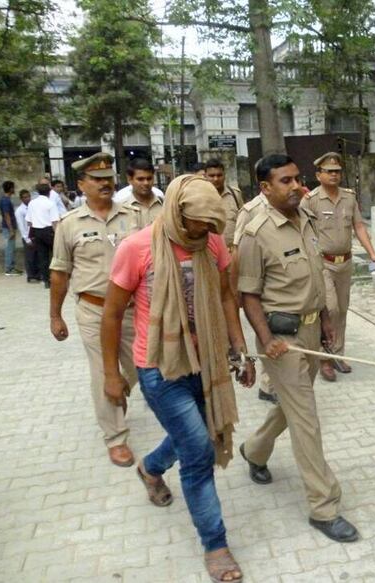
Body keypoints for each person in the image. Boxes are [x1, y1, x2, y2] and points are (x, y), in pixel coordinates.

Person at [102, 174, 253, 583]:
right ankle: (215, 544)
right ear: (176, 212)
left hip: (207, 363)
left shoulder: (213, 242)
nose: (205, 232)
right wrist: (111, 375)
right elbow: (112, 314)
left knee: (192, 436)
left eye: (211, 226)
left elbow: (225, 296)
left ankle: (150, 468)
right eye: (199, 225)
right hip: (159, 367)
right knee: (198, 452)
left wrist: (240, 349)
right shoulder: (137, 248)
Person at [236, 154, 358, 543]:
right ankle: (324, 506)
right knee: (306, 417)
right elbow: (248, 295)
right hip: (281, 340)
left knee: (292, 408)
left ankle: (255, 450)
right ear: (265, 188)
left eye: (296, 178)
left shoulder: (304, 218)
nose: (295, 186)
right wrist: (266, 340)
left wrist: (324, 320)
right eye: (285, 181)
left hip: (310, 331)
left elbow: (316, 275)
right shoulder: (255, 233)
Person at [49, 152, 140, 466]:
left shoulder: (132, 216)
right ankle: (116, 437)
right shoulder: (69, 225)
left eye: (108, 178)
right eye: (97, 179)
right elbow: (60, 272)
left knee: (139, 367)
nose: (105, 184)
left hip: (131, 310)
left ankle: (116, 392)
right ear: (81, 184)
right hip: (93, 310)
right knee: (103, 371)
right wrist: (55, 315)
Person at [300, 152, 375, 382]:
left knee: (342, 310)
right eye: (329, 171)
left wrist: (373, 253)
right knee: (330, 309)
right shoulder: (311, 200)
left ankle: (337, 355)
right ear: (319, 175)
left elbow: (359, 226)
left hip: (344, 263)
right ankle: (323, 359)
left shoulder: (349, 198)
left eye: (337, 171)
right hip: (322, 263)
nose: (334, 175)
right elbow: (303, 231)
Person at [230, 161, 275, 404]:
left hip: (279, 279)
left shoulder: (292, 207)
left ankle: (271, 384)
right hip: (258, 281)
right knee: (267, 329)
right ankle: (269, 385)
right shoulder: (249, 210)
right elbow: (237, 250)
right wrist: (238, 290)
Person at [26, 182, 60, 287]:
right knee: (56, 255)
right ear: (49, 192)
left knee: (42, 256)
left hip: (37, 231)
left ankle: (46, 280)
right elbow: (55, 221)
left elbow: (28, 221)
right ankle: (58, 277)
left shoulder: (32, 203)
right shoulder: (50, 203)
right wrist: (58, 234)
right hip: (49, 230)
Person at [114, 158, 164, 228]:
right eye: (140, 179)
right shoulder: (121, 208)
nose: (146, 183)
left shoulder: (164, 205)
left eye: (149, 178)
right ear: (129, 179)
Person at [204, 159, 242, 249]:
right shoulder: (199, 197)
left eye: (219, 175)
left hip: (233, 251)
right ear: (205, 176)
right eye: (212, 176)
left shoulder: (235, 194)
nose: (216, 179)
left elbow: (242, 221)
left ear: (224, 176)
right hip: (209, 252)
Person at [14, 189, 40, 282]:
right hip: (28, 236)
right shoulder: (19, 211)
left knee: (37, 255)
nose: (27, 199)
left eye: (28, 196)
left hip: (36, 234)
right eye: (25, 197)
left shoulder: (32, 207)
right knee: (30, 257)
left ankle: (38, 274)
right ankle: (31, 276)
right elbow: (21, 226)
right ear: (21, 199)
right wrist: (27, 239)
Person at [0, 181, 22, 276]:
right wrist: (11, 229)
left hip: (8, 227)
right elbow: (6, 215)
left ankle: (11, 267)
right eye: (13, 187)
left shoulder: (5, 200)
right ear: (11, 188)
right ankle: (9, 269)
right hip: (8, 228)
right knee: (9, 248)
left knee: (11, 248)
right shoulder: (5, 201)